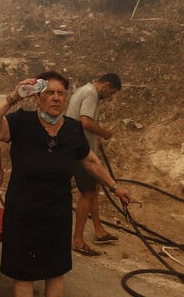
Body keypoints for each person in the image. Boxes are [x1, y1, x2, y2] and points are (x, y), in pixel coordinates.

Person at [0, 71, 131, 297]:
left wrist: (115, 187)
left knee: (55, 272)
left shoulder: (73, 128)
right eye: (49, 92)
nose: (56, 97)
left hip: (57, 214)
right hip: (23, 213)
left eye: (61, 93)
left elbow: (90, 160)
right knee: (23, 275)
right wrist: (13, 97)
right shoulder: (21, 122)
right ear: (37, 97)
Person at [66, 73, 122, 256]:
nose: (109, 96)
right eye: (111, 92)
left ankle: (99, 231)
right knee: (88, 192)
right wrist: (104, 133)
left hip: (79, 146)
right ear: (106, 85)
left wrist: (95, 137)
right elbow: (85, 121)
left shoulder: (84, 89)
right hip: (79, 151)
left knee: (95, 187)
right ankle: (78, 240)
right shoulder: (91, 93)